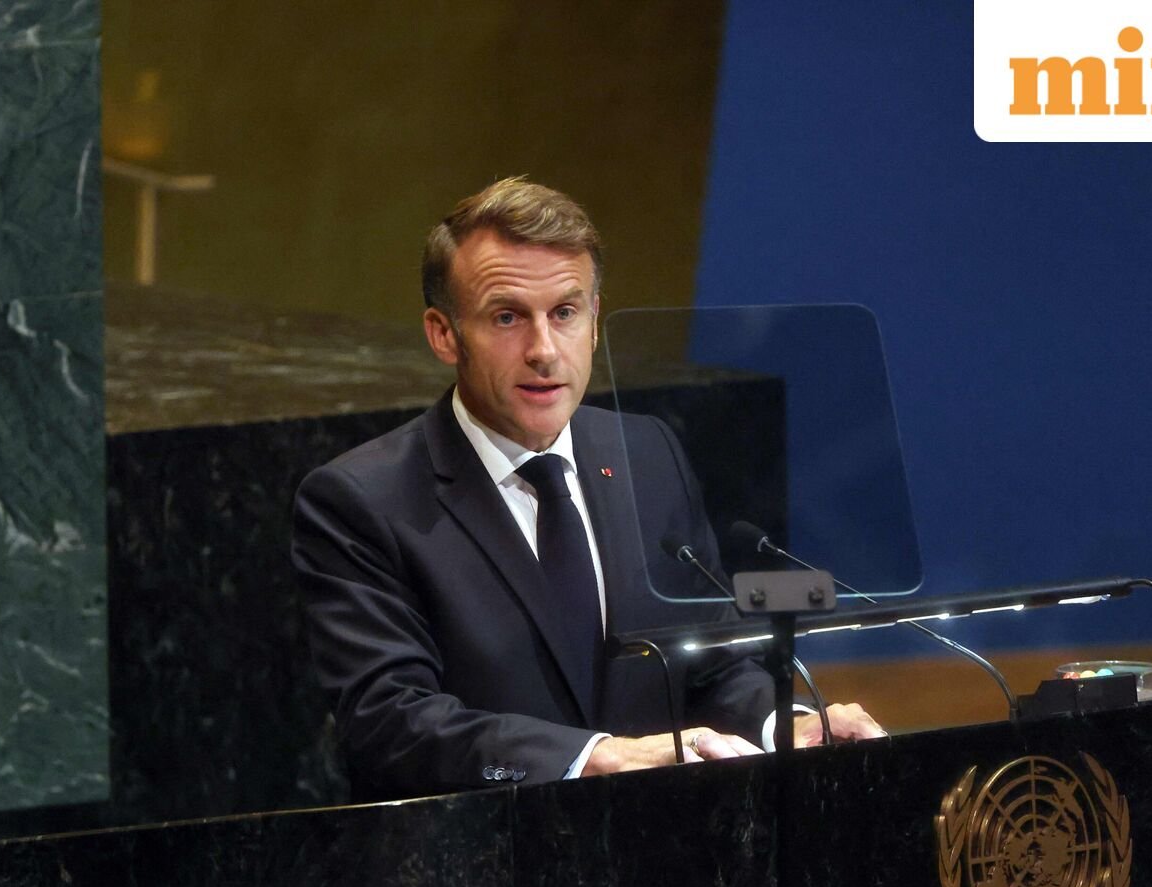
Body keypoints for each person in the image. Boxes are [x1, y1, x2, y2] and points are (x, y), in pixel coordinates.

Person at [291, 177, 883, 801]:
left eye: (565, 313)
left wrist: (783, 722)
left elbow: (715, 661)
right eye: (507, 317)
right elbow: (390, 721)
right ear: (444, 334)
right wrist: (591, 757)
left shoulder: (646, 452)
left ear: (595, 322)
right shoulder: (363, 500)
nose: (544, 350)